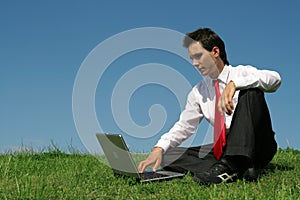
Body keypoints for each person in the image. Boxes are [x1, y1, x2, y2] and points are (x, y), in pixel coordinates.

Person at [138, 28, 281, 184]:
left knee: (252, 91)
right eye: (192, 58)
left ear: (215, 51)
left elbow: (275, 79)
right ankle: (234, 167)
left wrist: (235, 84)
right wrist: (158, 149)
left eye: (198, 56)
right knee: (168, 155)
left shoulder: (241, 73)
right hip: (225, 147)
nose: (194, 63)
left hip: (258, 144)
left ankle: (233, 164)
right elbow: (184, 126)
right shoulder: (198, 92)